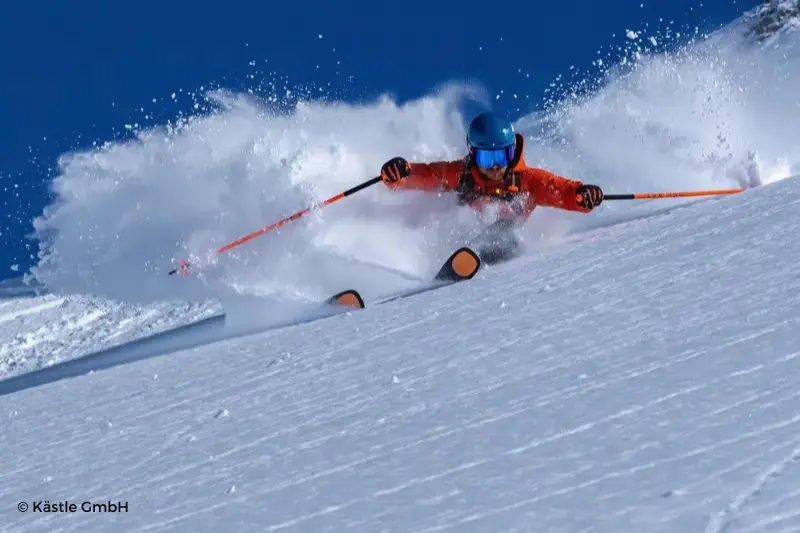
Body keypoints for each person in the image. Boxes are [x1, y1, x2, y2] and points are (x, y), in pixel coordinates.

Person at [378, 111, 604, 261]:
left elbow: (561, 191)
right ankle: (461, 264)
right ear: (473, 154)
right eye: (487, 158)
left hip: (509, 246)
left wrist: (581, 196)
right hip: (465, 244)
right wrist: (400, 173)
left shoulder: (528, 181)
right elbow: (426, 175)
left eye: (503, 156)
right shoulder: (461, 174)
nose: (496, 166)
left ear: (512, 151)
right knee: (460, 227)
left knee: (503, 228)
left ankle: (480, 254)